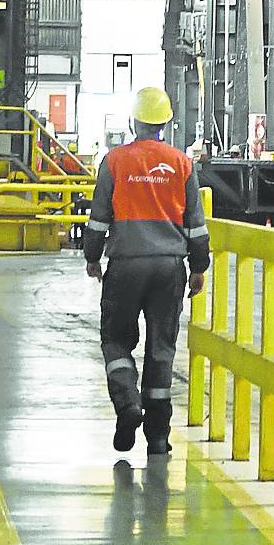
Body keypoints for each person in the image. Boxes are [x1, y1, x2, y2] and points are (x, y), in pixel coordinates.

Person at [83, 87, 211, 455]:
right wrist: (198, 267)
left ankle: (128, 405)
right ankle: (157, 436)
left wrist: (93, 257)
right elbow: (196, 225)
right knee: (161, 349)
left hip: (124, 266)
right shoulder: (181, 164)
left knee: (115, 339)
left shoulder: (114, 161)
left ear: (133, 122)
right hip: (170, 268)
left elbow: (98, 218)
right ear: (166, 123)